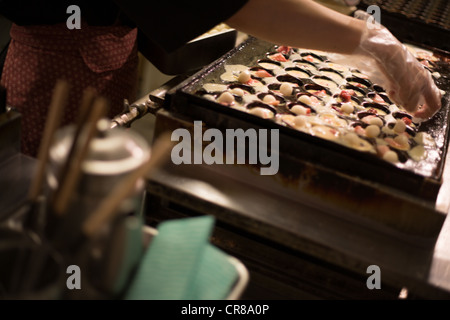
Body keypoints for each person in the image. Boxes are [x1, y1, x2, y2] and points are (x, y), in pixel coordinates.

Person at [0, 0, 442, 157]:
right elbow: (235, 2)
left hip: (107, 46)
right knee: (53, 208)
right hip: (57, 59)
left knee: (89, 190)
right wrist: (372, 41)